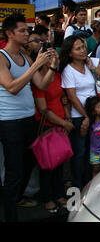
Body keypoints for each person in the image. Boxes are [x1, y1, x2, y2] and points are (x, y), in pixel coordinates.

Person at [0, 14, 57, 222]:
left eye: (27, 30)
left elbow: (41, 84)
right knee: (14, 170)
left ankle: (14, 199)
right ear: (9, 33)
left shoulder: (25, 56)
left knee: (30, 163)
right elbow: (12, 87)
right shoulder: (1, 56)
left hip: (27, 119)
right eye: (23, 30)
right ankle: (10, 215)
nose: (27, 34)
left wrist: (51, 66)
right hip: (9, 121)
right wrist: (36, 65)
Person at [60, 35, 100, 190]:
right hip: (79, 117)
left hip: (96, 116)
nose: (83, 51)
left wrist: (93, 67)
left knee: (94, 153)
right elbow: (72, 96)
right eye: (78, 48)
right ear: (70, 53)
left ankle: (92, 184)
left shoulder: (91, 62)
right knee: (80, 153)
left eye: (83, 47)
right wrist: (85, 116)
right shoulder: (68, 70)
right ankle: (78, 187)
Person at [32, 50, 72, 214]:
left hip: (61, 125)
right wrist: (63, 122)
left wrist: (67, 118)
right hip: (48, 125)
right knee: (47, 165)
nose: (54, 60)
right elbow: (43, 109)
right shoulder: (39, 80)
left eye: (55, 57)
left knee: (59, 162)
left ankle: (59, 194)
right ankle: (47, 198)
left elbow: (63, 99)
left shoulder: (57, 76)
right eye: (50, 58)